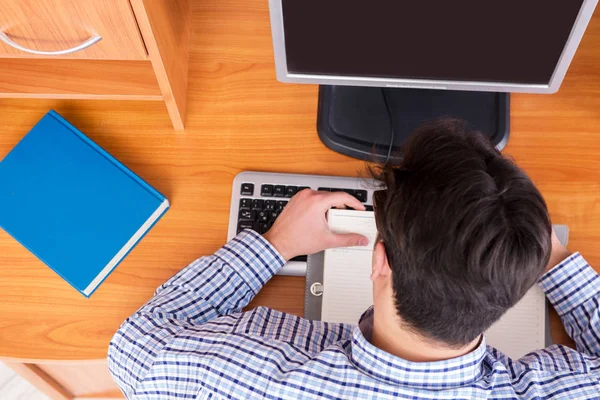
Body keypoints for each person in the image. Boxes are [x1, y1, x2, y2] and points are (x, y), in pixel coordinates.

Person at [108, 120, 600, 399]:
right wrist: (532, 246)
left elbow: (132, 347)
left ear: (379, 259)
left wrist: (273, 244)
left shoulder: (238, 378)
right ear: (517, 286)